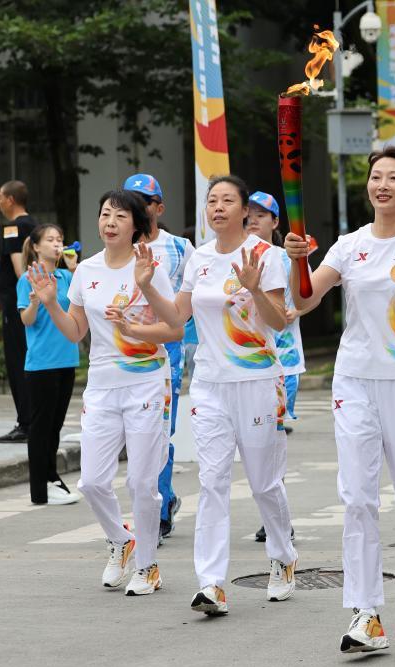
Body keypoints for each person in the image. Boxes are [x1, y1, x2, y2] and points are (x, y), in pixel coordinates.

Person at [283, 147, 395, 653]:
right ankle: (366, 613)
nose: (382, 184)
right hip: (354, 382)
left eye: (394, 178)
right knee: (358, 499)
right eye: (376, 177)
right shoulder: (348, 245)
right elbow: (301, 302)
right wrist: (296, 263)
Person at [139, 175, 299, 614]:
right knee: (212, 482)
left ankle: (283, 558)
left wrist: (251, 286)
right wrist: (150, 285)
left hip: (258, 382)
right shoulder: (200, 258)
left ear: (245, 210)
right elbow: (176, 319)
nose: (218, 208)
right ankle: (212, 582)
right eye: (212, 200)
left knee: (265, 482)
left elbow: (279, 321)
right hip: (209, 384)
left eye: (228, 200)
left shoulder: (268, 257)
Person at [28, 189, 175, 596]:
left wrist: (139, 310)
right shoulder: (85, 271)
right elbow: (77, 331)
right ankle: (121, 539)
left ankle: (147, 564)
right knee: (92, 481)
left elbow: (174, 329)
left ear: (136, 226)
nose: (109, 221)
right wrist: (51, 303)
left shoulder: (150, 268)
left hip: (146, 380)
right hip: (102, 385)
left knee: (143, 483)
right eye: (105, 213)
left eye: (120, 215)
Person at [123, 173, 193, 543]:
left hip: (167, 350)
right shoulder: (118, 248)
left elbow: (192, 298)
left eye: (144, 201)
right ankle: (156, 500)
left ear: (158, 207)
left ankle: (161, 507)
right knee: (136, 434)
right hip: (125, 353)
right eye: (129, 200)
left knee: (162, 430)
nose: (136, 207)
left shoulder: (180, 248)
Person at [246, 190, 306, 543]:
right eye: (249, 213)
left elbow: (306, 297)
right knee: (255, 445)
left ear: (275, 222)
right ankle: (271, 516)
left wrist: (296, 310)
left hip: (283, 362)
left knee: (272, 442)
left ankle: (277, 518)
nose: (253, 219)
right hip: (248, 363)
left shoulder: (285, 258)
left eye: (261, 214)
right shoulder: (233, 257)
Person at [17, 224, 81, 505]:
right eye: (51, 240)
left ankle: (52, 477)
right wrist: (33, 303)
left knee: (54, 425)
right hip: (42, 362)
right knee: (40, 427)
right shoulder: (28, 278)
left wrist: (75, 269)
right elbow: (26, 320)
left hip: (67, 358)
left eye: (60, 239)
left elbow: (80, 307)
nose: (57, 244)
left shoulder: (66, 276)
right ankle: (39, 490)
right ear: (36, 246)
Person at [0, 180, 38, 443]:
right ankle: (33, 419)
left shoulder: (13, 227)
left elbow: (19, 269)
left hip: (17, 304)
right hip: (35, 301)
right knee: (30, 360)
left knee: (17, 361)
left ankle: (25, 424)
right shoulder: (35, 226)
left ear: (10, 200)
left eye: (0, 198)